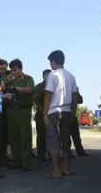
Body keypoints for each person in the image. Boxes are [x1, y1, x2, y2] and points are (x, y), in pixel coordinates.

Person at [43, 50, 78, 178]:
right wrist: (73, 112)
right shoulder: (71, 76)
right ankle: (67, 168)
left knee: (54, 142)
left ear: (53, 62)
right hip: (67, 111)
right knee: (65, 141)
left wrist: (44, 114)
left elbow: (48, 94)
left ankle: (56, 171)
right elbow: (75, 97)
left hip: (54, 111)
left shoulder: (53, 75)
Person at [6, 59, 35, 171]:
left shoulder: (28, 79)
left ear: (21, 69)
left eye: (16, 70)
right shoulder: (10, 81)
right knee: (13, 137)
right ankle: (16, 160)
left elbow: (30, 89)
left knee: (24, 136)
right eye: (12, 70)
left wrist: (16, 89)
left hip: (23, 111)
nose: (14, 72)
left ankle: (26, 162)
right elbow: (3, 90)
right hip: (11, 111)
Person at [34, 69, 51, 161]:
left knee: (52, 135)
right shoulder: (39, 87)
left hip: (51, 113)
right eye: (46, 76)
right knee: (41, 135)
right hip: (41, 114)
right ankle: (41, 154)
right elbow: (34, 98)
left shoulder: (53, 87)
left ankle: (52, 154)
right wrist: (42, 109)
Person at [0, 59, 11, 166]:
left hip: (5, 108)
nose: (3, 71)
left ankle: (4, 155)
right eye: (1, 69)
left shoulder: (7, 76)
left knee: (5, 135)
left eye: (5, 69)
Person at [70, 87, 89, 157]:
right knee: (66, 136)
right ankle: (68, 153)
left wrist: (76, 91)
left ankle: (80, 151)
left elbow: (80, 100)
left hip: (72, 114)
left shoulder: (73, 90)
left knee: (76, 135)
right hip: (64, 114)